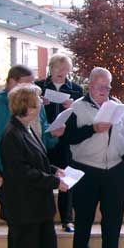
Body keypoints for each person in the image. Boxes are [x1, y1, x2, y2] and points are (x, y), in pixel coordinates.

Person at [0, 64, 62, 248]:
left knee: (36, 230)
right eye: (27, 83)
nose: (32, 87)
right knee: (21, 226)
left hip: (33, 173)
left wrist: (53, 136)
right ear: (12, 82)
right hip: (5, 173)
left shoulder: (34, 106)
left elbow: (41, 138)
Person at [0, 84, 73, 248]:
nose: (41, 102)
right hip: (24, 208)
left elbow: (36, 162)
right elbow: (22, 172)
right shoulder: (11, 135)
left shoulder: (27, 129)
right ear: (27, 106)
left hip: (39, 206)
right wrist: (54, 182)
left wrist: (54, 169)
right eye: (37, 100)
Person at [63, 67, 124, 248]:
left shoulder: (118, 106)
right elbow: (68, 137)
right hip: (86, 170)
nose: (104, 90)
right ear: (90, 85)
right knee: (83, 219)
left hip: (114, 170)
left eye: (107, 87)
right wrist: (93, 129)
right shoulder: (77, 107)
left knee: (113, 219)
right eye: (100, 86)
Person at [36, 54, 84, 233]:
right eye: (58, 68)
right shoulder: (38, 87)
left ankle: (67, 219)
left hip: (65, 140)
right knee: (43, 175)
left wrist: (73, 106)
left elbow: (81, 116)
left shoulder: (76, 89)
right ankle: (43, 217)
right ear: (50, 68)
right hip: (43, 139)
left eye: (65, 69)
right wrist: (41, 103)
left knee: (66, 175)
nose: (61, 72)